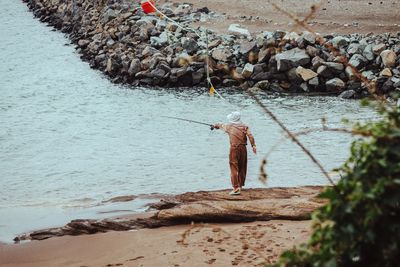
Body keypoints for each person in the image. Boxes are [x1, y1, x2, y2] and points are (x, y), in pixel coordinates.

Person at [214, 111, 256, 195]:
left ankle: (236, 188)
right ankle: (240, 185)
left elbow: (220, 125)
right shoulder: (245, 126)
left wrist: (214, 125)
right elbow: (250, 136)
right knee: (242, 167)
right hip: (243, 148)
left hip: (234, 148)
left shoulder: (229, 126)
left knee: (234, 168)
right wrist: (253, 145)